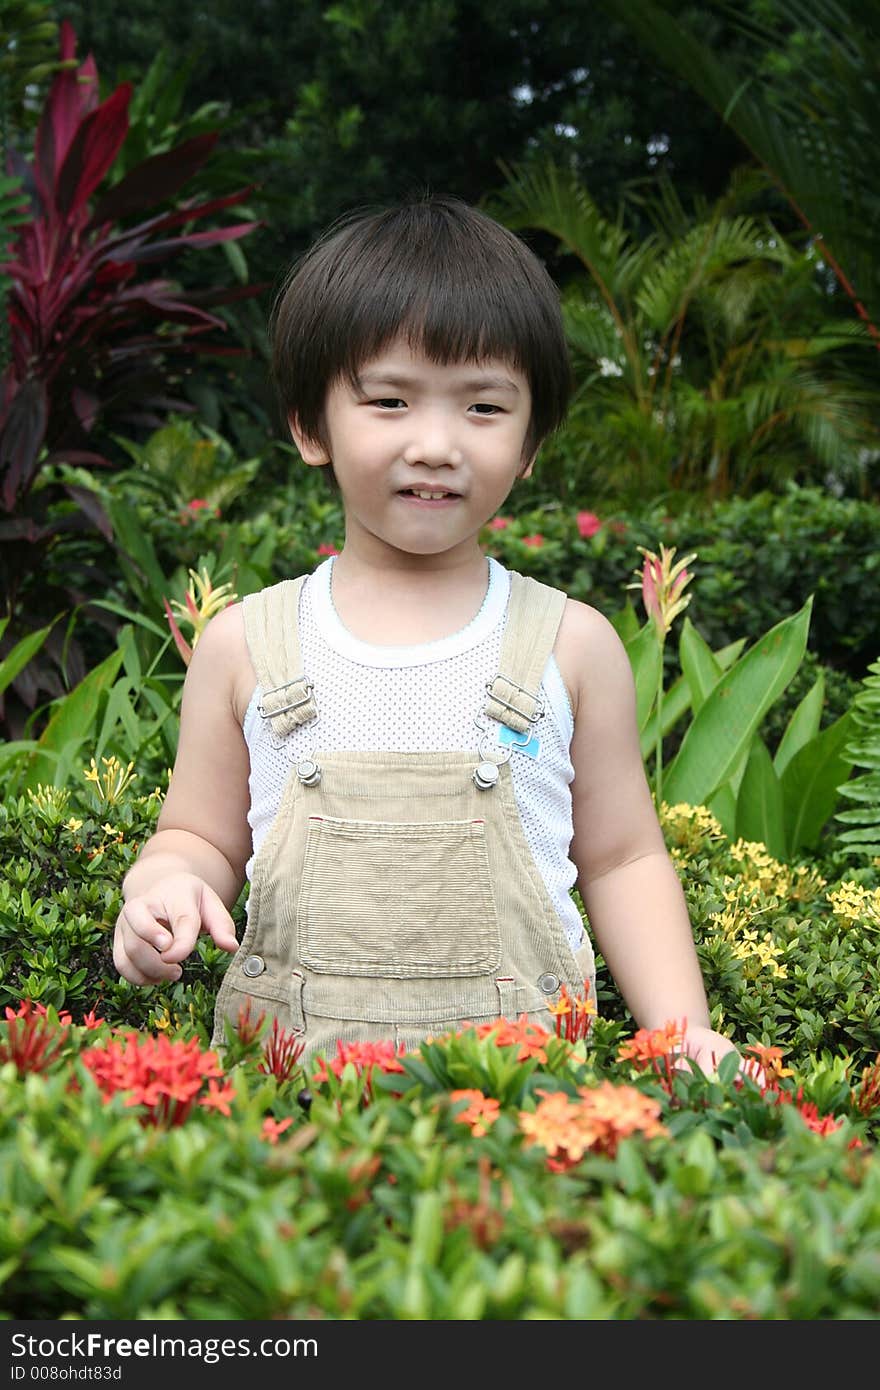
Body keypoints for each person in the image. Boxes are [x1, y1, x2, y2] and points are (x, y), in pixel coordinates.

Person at [113, 194, 742, 1073]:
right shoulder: (244, 646)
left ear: (531, 442)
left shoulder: (572, 645)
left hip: (525, 1106)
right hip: (290, 1117)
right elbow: (199, 836)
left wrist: (682, 1033)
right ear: (309, 425)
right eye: (390, 400)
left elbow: (624, 857)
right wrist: (164, 887)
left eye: (483, 408)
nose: (438, 443)